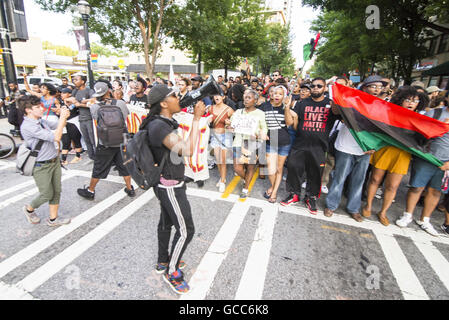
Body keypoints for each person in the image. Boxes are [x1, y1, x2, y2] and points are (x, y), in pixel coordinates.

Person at [141, 84, 205, 294]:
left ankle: (162, 261)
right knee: (187, 230)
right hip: (169, 184)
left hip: (166, 181)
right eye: (175, 96)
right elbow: (185, 150)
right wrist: (196, 119)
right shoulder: (159, 126)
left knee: (166, 222)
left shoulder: (162, 122)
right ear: (163, 103)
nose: (180, 98)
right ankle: (172, 271)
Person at [362, 86, 421, 226]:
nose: (411, 103)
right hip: (385, 149)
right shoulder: (390, 113)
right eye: (408, 100)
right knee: (375, 179)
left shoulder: (420, 119)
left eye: (416, 101)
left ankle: (383, 212)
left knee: (392, 186)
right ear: (401, 99)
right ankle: (368, 206)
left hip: (402, 155)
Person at [281, 77, 340, 214]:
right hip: (300, 144)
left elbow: (338, 113)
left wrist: (334, 98)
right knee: (294, 169)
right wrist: (287, 107)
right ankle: (294, 194)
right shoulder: (302, 103)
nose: (315, 88)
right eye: (313, 86)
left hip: (319, 147)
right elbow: (290, 122)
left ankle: (311, 198)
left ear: (325, 88)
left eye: (319, 86)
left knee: (315, 173)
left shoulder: (330, 104)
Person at [395, 100, 449, 236]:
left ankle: (425, 219)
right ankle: (408, 215)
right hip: (426, 157)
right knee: (416, 188)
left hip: (446, 162)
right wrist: (439, 127)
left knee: (436, 191)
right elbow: (419, 132)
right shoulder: (435, 113)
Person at [324, 79, 374, 222]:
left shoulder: (378, 106)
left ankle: (353, 208)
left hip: (365, 150)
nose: (376, 89)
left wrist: (373, 146)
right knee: (340, 178)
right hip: (346, 146)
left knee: (359, 180)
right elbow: (334, 111)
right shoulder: (350, 99)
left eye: (379, 87)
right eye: (373, 86)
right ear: (364, 87)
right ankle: (331, 205)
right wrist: (337, 96)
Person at [18, 95, 71, 226]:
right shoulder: (28, 126)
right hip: (41, 165)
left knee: (56, 191)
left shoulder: (40, 121)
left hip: (54, 161)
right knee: (46, 193)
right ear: (28, 110)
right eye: (37, 107)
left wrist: (63, 114)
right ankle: (29, 208)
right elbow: (56, 137)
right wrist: (63, 118)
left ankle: (53, 219)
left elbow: (59, 124)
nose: (42, 109)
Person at [77, 82, 134, 200]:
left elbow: (97, 120)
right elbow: (125, 117)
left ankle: (90, 190)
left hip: (106, 141)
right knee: (124, 165)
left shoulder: (95, 107)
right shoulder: (121, 103)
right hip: (123, 139)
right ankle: (129, 188)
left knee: (99, 167)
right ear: (109, 90)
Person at [227, 89, 267, 199]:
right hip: (238, 142)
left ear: (255, 100)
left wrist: (259, 134)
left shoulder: (260, 114)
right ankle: (246, 179)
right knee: (237, 168)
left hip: (253, 143)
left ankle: (246, 187)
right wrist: (229, 126)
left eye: (249, 98)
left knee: (250, 167)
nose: (246, 99)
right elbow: (231, 127)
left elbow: (264, 129)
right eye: (245, 97)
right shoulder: (238, 112)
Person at [259, 85, 292, 203]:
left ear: (284, 96)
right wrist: (261, 131)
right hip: (270, 140)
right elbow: (259, 122)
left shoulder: (285, 107)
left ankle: (274, 192)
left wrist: (287, 108)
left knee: (279, 169)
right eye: (275, 93)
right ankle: (273, 187)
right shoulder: (264, 106)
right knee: (271, 169)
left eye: (280, 93)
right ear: (271, 94)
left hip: (284, 141)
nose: (277, 95)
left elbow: (289, 123)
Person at [66, 74, 96, 161]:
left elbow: (94, 102)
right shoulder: (75, 91)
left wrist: (81, 104)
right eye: (74, 80)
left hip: (89, 118)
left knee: (93, 139)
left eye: (76, 80)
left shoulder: (89, 91)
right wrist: (70, 102)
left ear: (82, 81)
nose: (74, 81)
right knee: (86, 139)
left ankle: (98, 157)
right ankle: (91, 157)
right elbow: (70, 101)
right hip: (81, 118)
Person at [210, 93, 234, 192]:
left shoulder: (229, 110)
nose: (216, 97)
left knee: (222, 160)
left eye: (219, 95)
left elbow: (237, 124)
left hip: (225, 137)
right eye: (215, 95)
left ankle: (223, 181)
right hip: (214, 136)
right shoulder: (210, 108)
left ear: (223, 97)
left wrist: (230, 124)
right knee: (218, 160)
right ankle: (222, 177)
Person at [59, 87, 83, 165]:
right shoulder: (61, 102)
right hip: (64, 123)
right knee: (65, 141)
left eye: (64, 93)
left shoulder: (73, 101)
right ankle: (63, 159)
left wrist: (69, 101)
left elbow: (74, 106)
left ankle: (78, 156)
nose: (62, 94)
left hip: (73, 122)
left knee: (76, 139)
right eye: (61, 93)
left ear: (69, 94)